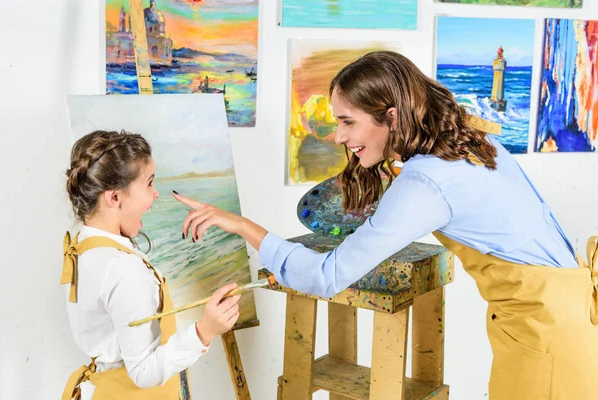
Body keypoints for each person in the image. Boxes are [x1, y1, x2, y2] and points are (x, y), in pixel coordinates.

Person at [172, 51, 598, 399]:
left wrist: (245, 226)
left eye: (347, 121)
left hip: (547, 336)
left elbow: (327, 277)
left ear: (391, 117)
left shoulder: (425, 183)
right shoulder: (469, 138)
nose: (338, 137)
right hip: (567, 311)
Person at [61, 130, 241, 400]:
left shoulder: (84, 244)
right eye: (149, 183)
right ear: (114, 198)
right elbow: (144, 372)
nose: (156, 194)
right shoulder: (121, 269)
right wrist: (205, 331)